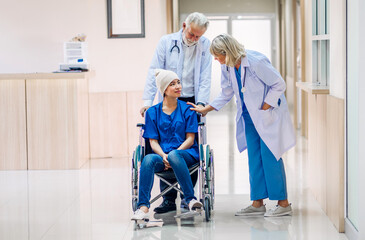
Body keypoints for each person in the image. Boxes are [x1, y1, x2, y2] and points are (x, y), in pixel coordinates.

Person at [188, 34, 296, 217]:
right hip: (248, 117)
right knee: (254, 158)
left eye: (217, 55)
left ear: (226, 52)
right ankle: (257, 203)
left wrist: (266, 105)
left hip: (266, 115)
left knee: (270, 157)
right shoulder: (227, 66)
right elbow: (227, 91)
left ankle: (283, 204)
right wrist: (207, 108)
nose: (216, 59)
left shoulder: (255, 61)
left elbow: (279, 83)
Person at [140, 12, 212, 214]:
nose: (194, 39)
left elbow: (205, 76)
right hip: (167, 94)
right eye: (191, 34)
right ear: (183, 26)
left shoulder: (205, 45)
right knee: (166, 141)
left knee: (188, 144)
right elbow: (154, 71)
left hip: (191, 98)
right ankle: (168, 199)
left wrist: (201, 103)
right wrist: (147, 102)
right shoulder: (166, 42)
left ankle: (186, 198)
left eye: (198, 36)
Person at [131, 69, 203, 222]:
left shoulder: (188, 109)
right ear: (164, 89)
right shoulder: (152, 113)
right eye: (172, 84)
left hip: (186, 153)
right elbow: (153, 142)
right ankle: (143, 207)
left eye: (178, 82)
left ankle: (190, 199)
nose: (178, 86)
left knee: (174, 155)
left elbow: (190, 139)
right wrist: (164, 156)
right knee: (148, 160)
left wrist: (172, 155)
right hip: (161, 155)